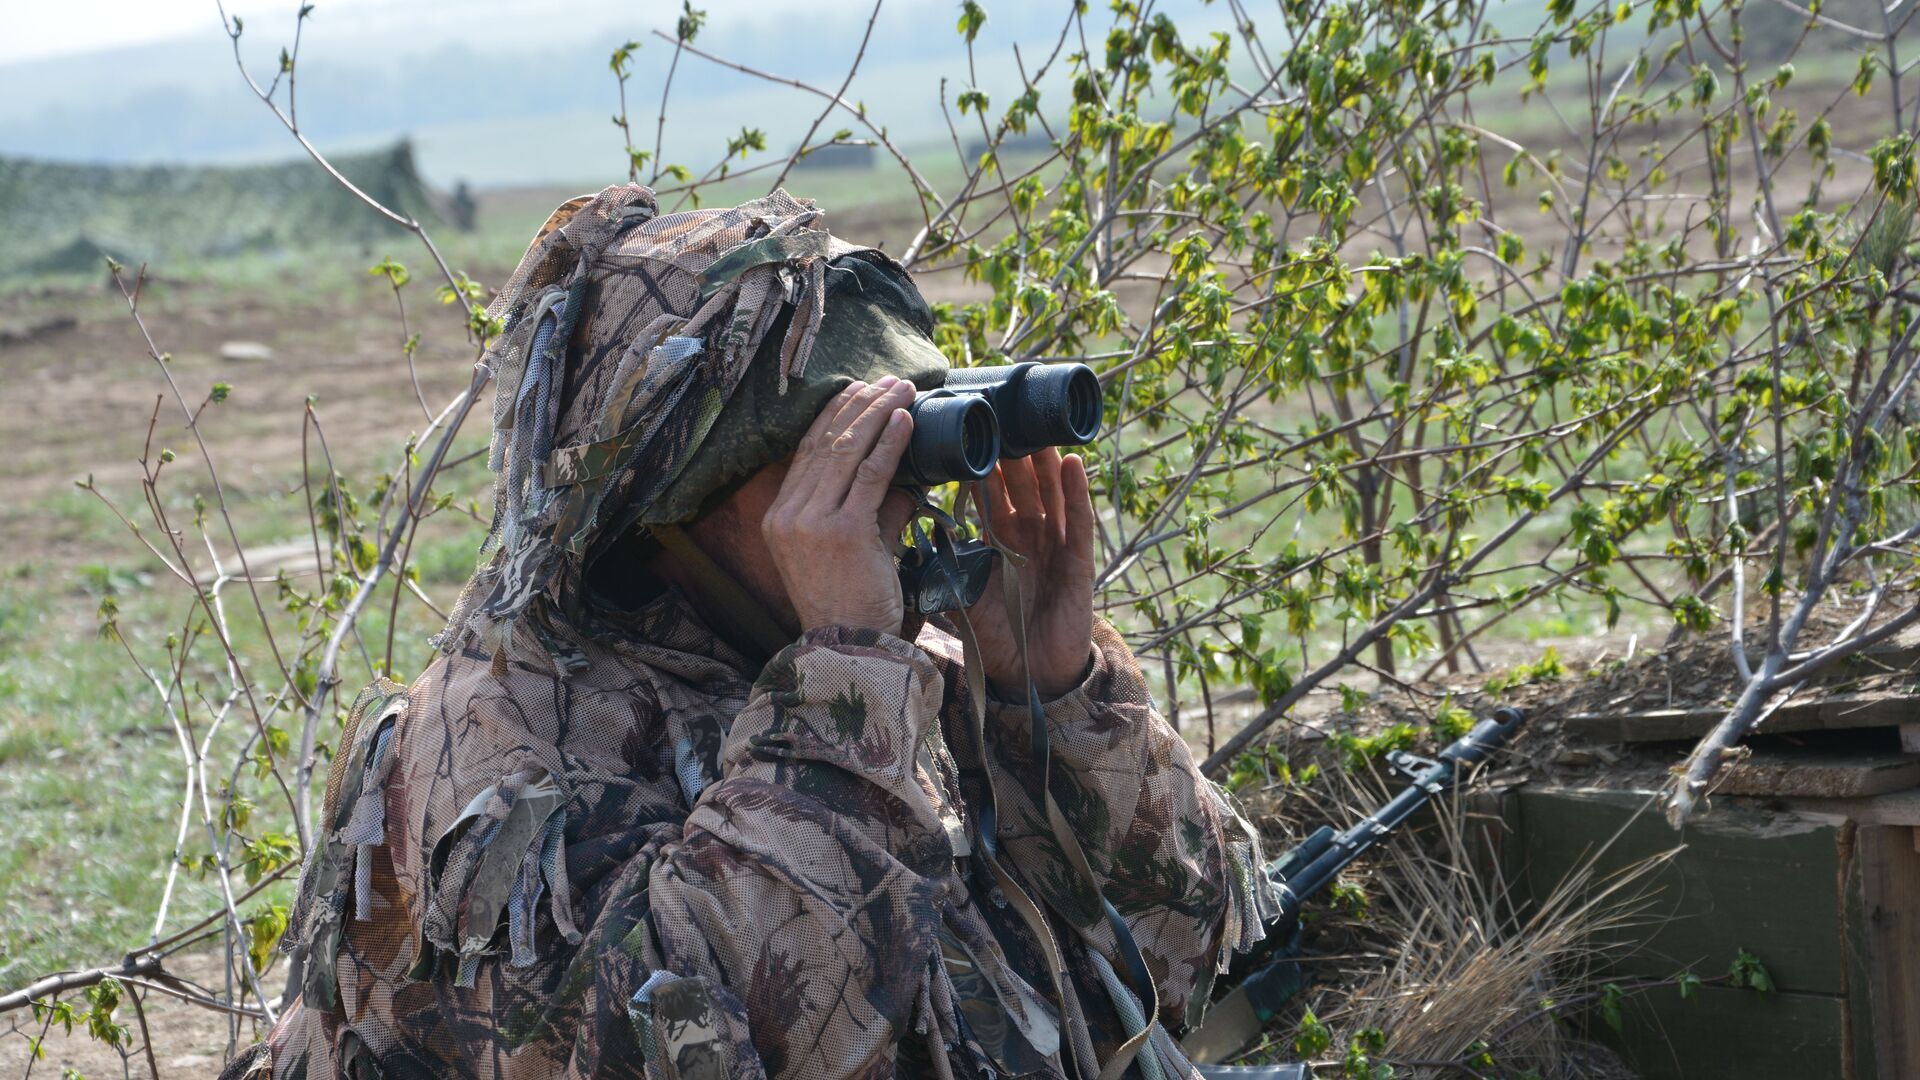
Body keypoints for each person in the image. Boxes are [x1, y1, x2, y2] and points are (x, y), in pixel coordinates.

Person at [226, 184, 1275, 1080]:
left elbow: (1185, 961)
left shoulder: (880, 671)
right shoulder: (492, 749)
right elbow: (701, 1043)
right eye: (835, 457)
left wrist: (1050, 692)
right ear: (676, 495)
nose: (893, 500)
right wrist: (841, 689)